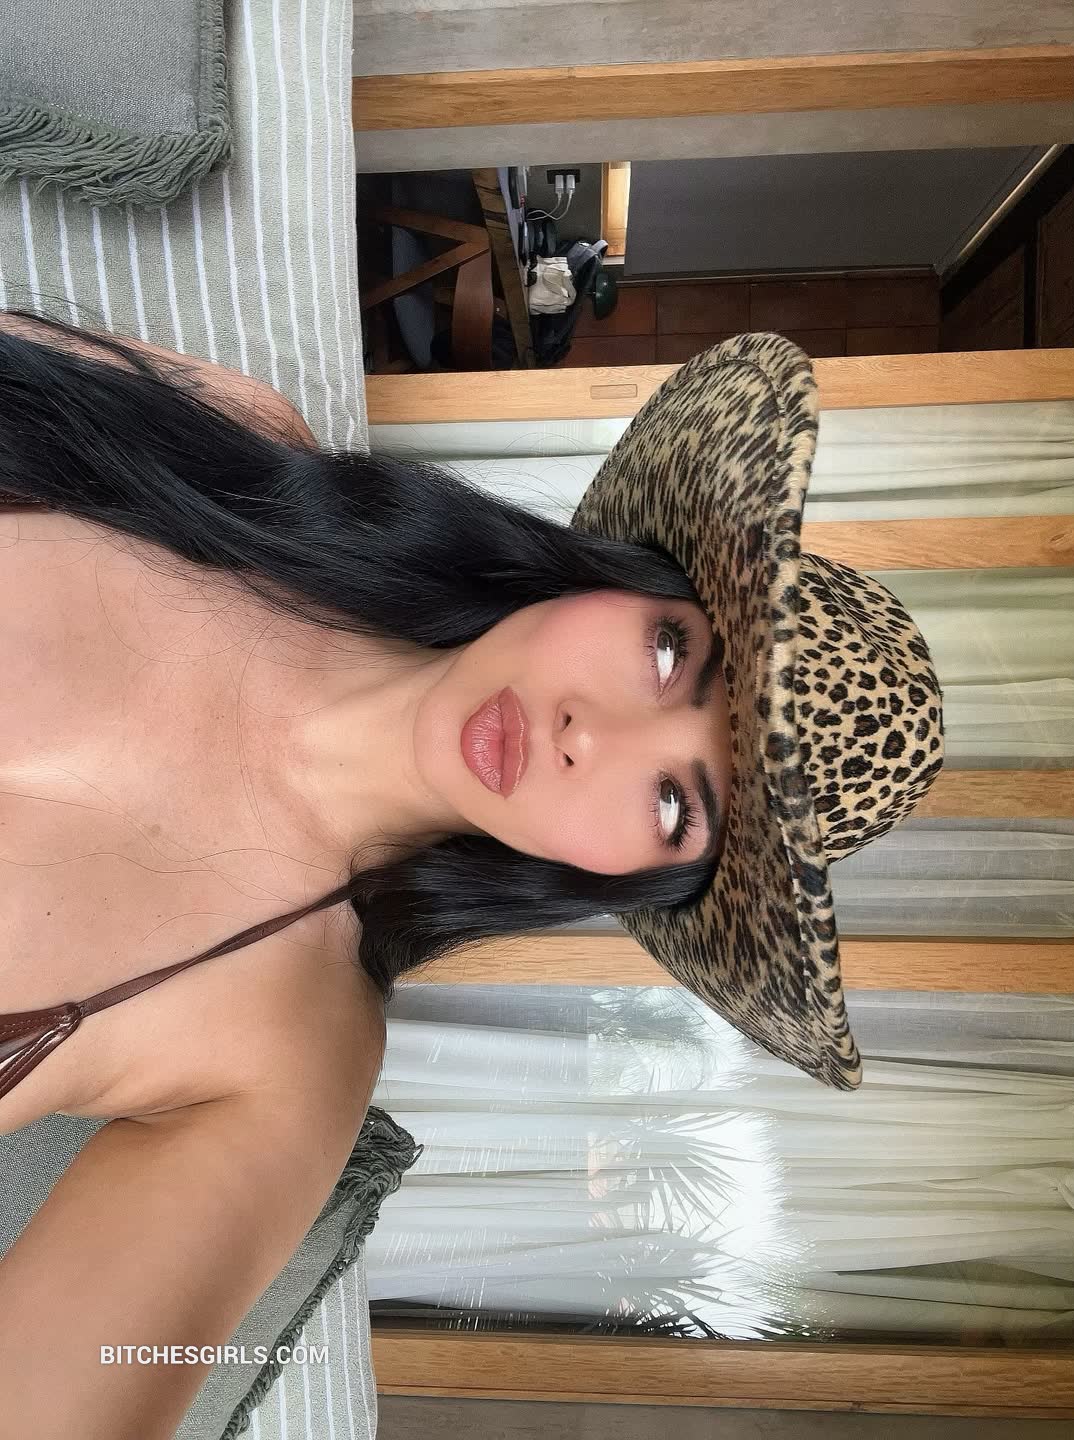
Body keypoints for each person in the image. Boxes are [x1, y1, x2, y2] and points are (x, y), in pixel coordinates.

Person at [0, 312, 943, 1431]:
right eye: (667, 655)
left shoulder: (292, 1058)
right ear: (622, 581)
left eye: (672, 802)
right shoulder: (241, 452)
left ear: (637, 881)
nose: (589, 736)